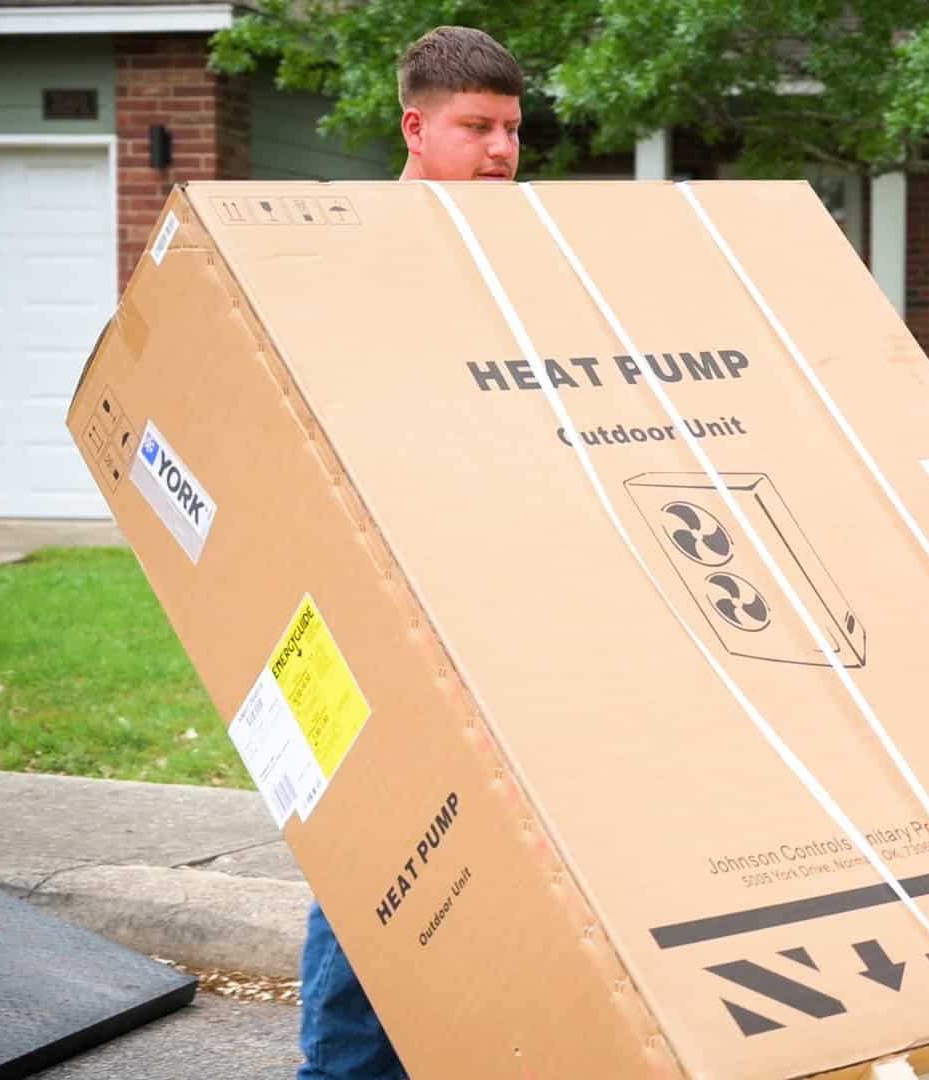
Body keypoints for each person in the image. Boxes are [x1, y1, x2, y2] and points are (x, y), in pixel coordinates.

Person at [297, 25, 525, 1080]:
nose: (498, 152)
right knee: (374, 856)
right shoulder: (340, 251)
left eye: (512, 131)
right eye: (475, 128)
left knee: (479, 865)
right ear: (414, 126)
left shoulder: (505, 262)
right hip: (361, 603)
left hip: (489, 597)